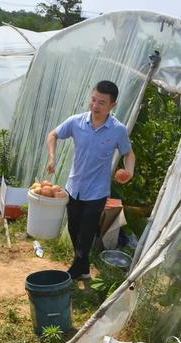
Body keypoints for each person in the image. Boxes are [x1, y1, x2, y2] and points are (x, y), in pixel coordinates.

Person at [45, 81, 135, 280]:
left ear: (113, 105)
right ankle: (83, 268)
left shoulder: (117, 130)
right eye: (93, 100)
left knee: (85, 233)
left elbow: (129, 154)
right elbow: (53, 135)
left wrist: (128, 172)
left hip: (97, 191)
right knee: (73, 228)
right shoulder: (77, 122)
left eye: (102, 102)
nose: (95, 105)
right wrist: (52, 157)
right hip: (74, 187)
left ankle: (75, 270)